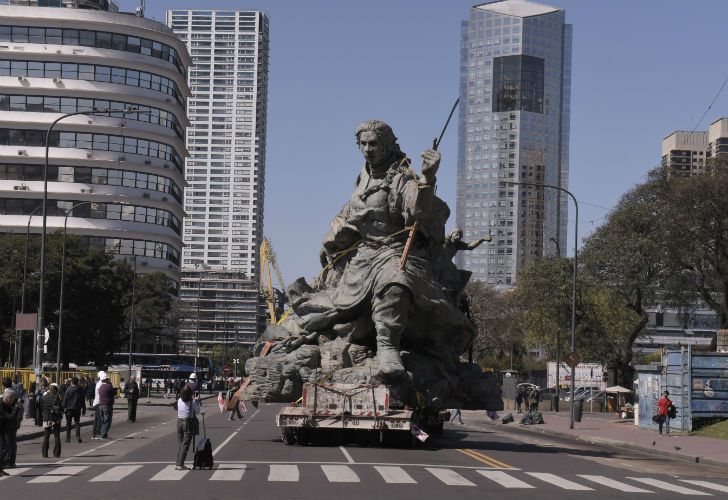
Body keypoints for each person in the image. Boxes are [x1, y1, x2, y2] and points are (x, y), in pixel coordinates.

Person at [283, 120, 473, 379]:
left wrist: (428, 177)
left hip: (395, 251)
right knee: (330, 308)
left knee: (395, 282)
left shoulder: (403, 176)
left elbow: (417, 211)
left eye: (374, 144)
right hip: (364, 256)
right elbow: (354, 217)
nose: (368, 149)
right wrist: (331, 240)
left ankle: (388, 348)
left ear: (387, 145)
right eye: (363, 144)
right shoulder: (363, 176)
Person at [175, 386, 201, 470]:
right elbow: (197, 411)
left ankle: (177, 463)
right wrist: (197, 401)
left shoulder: (179, 400)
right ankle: (181, 464)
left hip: (179, 421)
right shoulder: (192, 402)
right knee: (185, 445)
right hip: (187, 422)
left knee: (180, 444)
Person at [0, 388, 20, 476]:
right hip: (1, 430)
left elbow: (13, 418)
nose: (13, 401)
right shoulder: (1, 406)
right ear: (8, 398)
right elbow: (10, 417)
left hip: (4, 430)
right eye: (12, 399)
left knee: (5, 448)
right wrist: (16, 408)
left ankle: (0, 469)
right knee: (4, 449)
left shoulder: (7, 405)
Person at [41, 383, 62, 458]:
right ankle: (57, 453)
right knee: (57, 435)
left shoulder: (44, 397)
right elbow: (60, 408)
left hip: (46, 418)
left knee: (46, 435)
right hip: (55, 418)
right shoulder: (57, 397)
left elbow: (41, 407)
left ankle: (44, 453)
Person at [61, 377, 85, 443]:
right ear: (77, 382)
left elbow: (65, 400)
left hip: (69, 409)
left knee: (68, 424)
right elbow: (83, 400)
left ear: (71, 382)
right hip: (77, 409)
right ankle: (78, 436)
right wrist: (84, 409)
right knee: (77, 423)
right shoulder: (80, 389)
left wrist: (62, 409)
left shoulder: (68, 390)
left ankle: (68, 438)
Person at [97, 374, 115, 440]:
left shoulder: (101, 386)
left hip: (101, 405)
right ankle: (103, 434)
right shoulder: (109, 386)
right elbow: (113, 393)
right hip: (107, 405)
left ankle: (103, 433)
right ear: (106, 380)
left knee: (103, 420)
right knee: (107, 420)